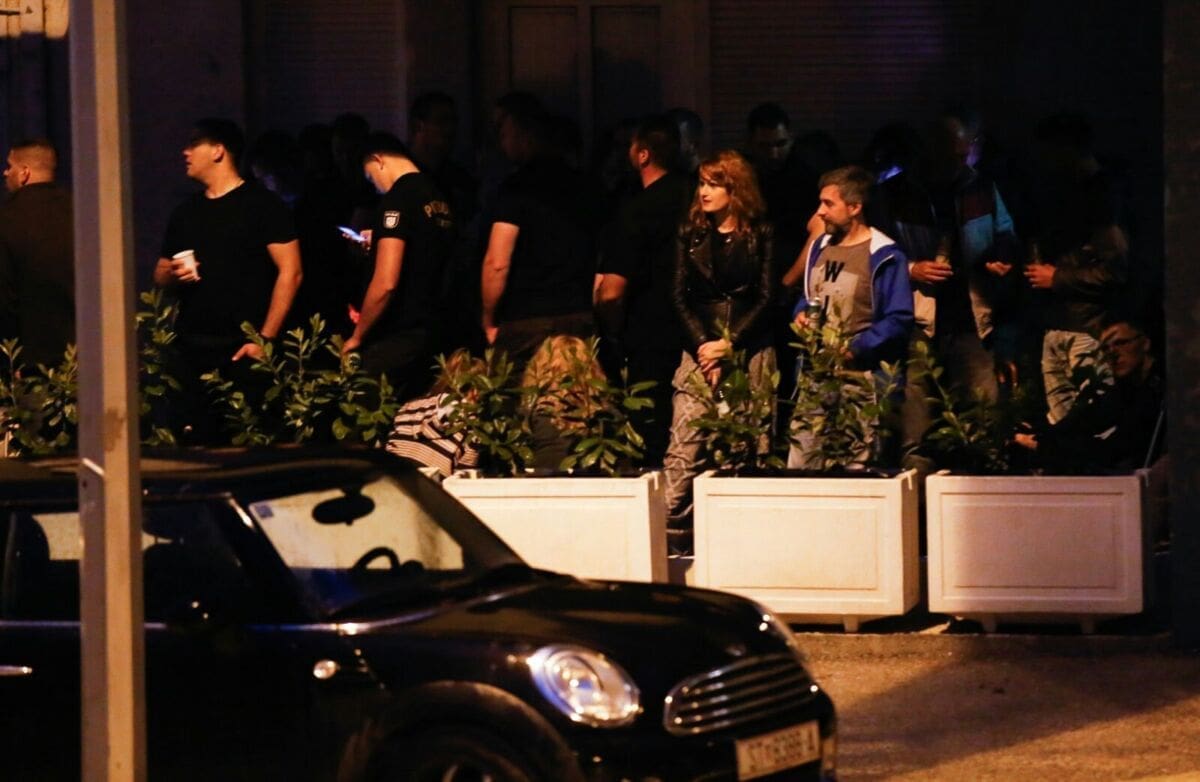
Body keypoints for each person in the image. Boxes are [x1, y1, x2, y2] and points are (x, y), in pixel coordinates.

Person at [872, 113, 1022, 471]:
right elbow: (873, 251)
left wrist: (1002, 258)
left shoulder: (980, 187)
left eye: (964, 153)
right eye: (952, 154)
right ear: (929, 150)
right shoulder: (895, 193)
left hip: (972, 314)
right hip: (918, 317)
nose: (960, 162)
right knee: (916, 420)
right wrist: (912, 269)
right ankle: (917, 488)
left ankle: (981, 478)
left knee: (982, 413)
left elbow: (1006, 233)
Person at [154, 118, 302, 442]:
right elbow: (160, 273)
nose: (185, 152)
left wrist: (265, 340)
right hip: (192, 350)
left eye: (194, 144)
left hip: (242, 350)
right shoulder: (186, 212)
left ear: (218, 151)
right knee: (195, 443)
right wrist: (173, 273)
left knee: (246, 441)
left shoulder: (263, 205)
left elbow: (291, 271)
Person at [663, 150, 776, 542]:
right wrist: (703, 347)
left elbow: (767, 297)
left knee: (744, 445)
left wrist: (730, 344)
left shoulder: (761, 231)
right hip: (698, 347)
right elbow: (677, 296)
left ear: (735, 188)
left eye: (714, 184)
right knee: (684, 444)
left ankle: (736, 538)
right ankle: (672, 531)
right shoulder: (690, 231)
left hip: (747, 347)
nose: (704, 191)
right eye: (702, 183)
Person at [787, 165, 914, 468]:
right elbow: (808, 295)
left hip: (861, 381)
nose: (820, 212)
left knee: (856, 468)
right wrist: (801, 313)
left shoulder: (884, 254)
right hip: (816, 377)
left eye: (828, 204)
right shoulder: (820, 247)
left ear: (855, 207)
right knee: (802, 464)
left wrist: (855, 348)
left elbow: (898, 318)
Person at [594, 115, 692, 466]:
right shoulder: (697, 200)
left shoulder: (636, 210)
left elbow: (612, 291)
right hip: (696, 331)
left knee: (649, 431)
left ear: (643, 154)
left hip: (647, 333)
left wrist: (612, 328)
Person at [480, 100, 598, 368]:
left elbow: (497, 262)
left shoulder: (516, 189)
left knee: (514, 390)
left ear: (525, 136)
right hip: (576, 314)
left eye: (505, 134)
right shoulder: (586, 187)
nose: (502, 143)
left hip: (526, 319)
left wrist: (488, 318)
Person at [347, 132, 455, 398]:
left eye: (370, 176)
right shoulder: (438, 197)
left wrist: (358, 336)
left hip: (398, 334)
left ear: (378, 160)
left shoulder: (397, 198)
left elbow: (386, 282)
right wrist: (380, 239)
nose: (375, 186)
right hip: (434, 330)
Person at [1014, 319, 1163, 473]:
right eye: (1105, 348)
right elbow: (1085, 420)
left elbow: (1115, 449)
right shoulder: (1125, 388)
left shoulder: (1159, 389)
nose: (1112, 353)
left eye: (1120, 343)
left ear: (1145, 343)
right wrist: (1038, 432)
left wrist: (1045, 446)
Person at [0, 138, 75, 368]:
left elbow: (5, 297)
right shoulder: (83, 213)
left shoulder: (7, 219)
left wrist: (11, 361)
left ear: (24, 173)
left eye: (10, 166)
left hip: (34, 361)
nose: (5, 173)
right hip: (91, 355)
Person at [385, 349, 483, 477]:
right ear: (477, 389)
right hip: (430, 485)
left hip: (391, 476)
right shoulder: (473, 426)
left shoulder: (410, 406)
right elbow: (462, 479)